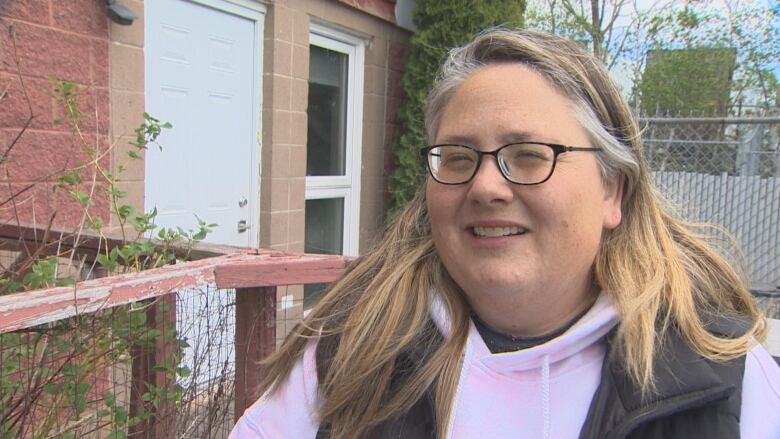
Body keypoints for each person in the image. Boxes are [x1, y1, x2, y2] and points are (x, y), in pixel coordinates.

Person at [230, 28, 780, 438]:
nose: (486, 185)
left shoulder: (727, 382)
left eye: (529, 155)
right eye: (458, 156)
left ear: (612, 191)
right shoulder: (348, 354)